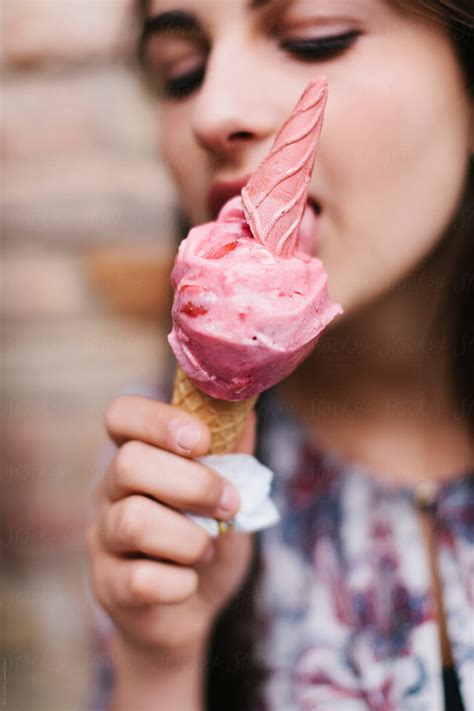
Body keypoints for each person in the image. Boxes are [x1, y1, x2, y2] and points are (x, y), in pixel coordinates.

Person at [85, 0, 473, 709]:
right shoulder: (165, 484)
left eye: (314, 39)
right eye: (182, 73)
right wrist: (160, 656)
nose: (212, 109)